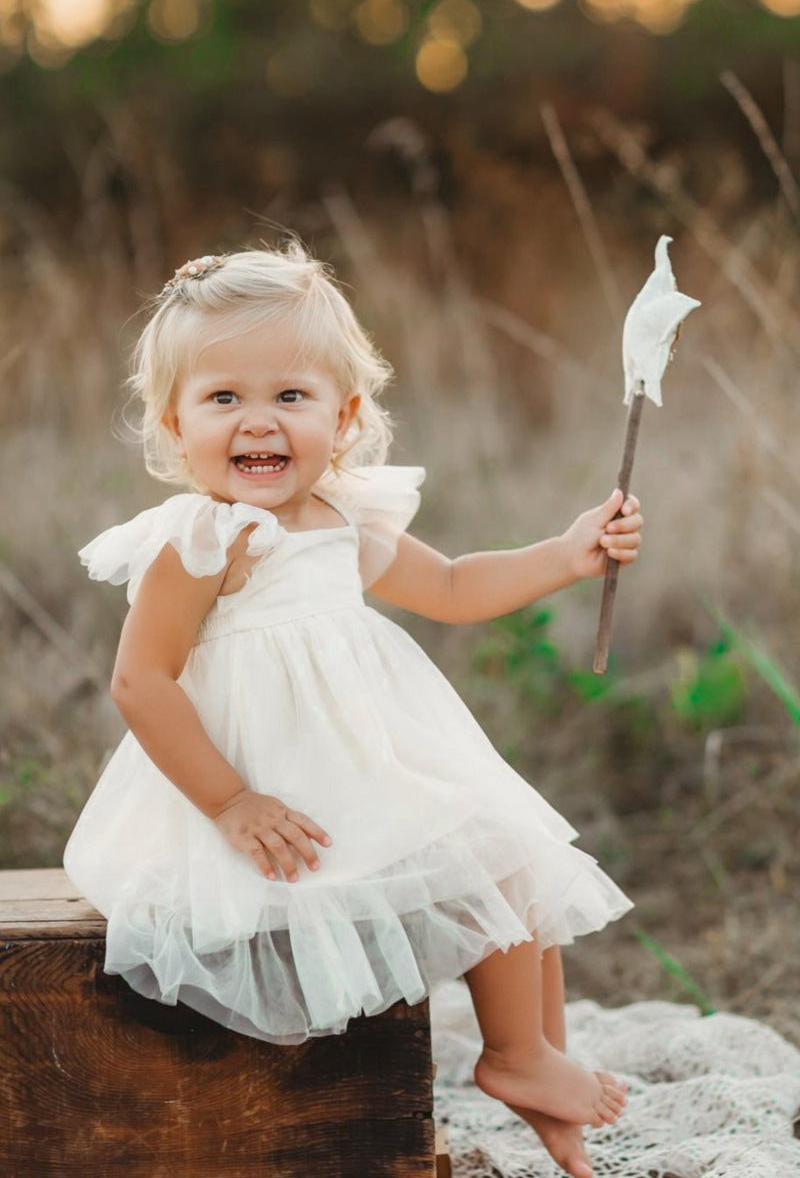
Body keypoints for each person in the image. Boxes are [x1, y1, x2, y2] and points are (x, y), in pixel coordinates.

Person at [65, 243, 644, 1178]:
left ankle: (534, 1057)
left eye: (291, 397)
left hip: (358, 758)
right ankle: (518, 1057)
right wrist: (230, 802)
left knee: (512, 847)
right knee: (485, 853)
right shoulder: (205, 539)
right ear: (175, 425)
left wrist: (567, 553)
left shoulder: (341, 518)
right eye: (225, 400)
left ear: (347, 415)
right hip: (265, 785)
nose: (260, 422)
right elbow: (142, 682)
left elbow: (454, 585)